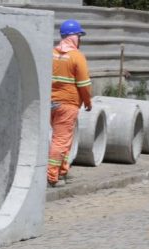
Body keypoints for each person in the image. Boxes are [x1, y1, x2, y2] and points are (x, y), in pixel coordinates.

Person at [48, 19, 92, 188]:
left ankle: (62, 171)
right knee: (61, 140)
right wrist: (88, 102)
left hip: (51, 103)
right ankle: (52, 177)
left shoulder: (52, 53)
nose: (80, 39)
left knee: (64, 140)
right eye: (79, 36)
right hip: (68, 104)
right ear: (74, 37)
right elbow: (84, 84)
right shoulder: (76, 57)